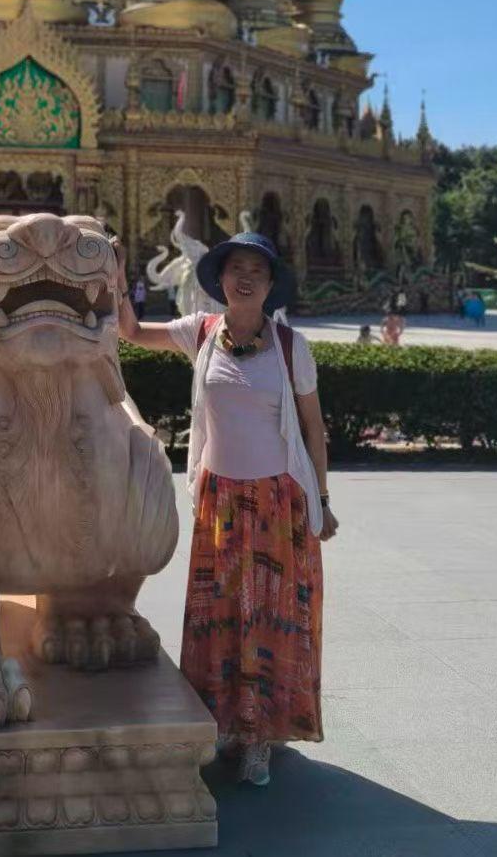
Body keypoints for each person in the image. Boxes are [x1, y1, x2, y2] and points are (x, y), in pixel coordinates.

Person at [115, 230, 335, 788]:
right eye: (236, 269)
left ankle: (259, 735)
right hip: (221, 500)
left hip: (277, 500)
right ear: (221, 279)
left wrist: (323, 500)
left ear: (270, 285)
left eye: (257, 272)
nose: (245, 279)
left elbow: (313, 428)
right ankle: (220, 722)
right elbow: (131, 331)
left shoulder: (291, 347)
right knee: (219, 613)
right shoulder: (202, 332)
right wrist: (116, 274)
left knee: (269, 617)